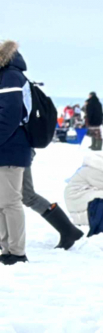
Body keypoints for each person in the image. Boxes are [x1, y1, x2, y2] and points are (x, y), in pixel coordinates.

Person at [0, 39, 33, 265]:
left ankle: (17, 251)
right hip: (8, 147)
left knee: (11, 201)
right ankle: (6, 248)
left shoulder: (10, 75)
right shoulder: (6, 75)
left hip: (11, 149)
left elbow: (11, 115)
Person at [21, 155, 85, 250]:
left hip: (14, 154)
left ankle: (68, 230)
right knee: (18, 196)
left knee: (27, 195)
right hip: (12, 153)